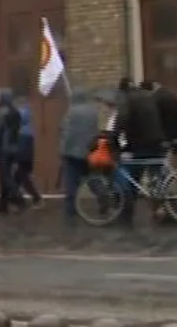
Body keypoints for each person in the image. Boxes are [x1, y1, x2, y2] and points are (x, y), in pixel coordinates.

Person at [108, 77, 165, 225]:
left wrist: (114, 137)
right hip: (156, 141)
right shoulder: (147, 96)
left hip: (140, 143)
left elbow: (122, 118)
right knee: (155, 176)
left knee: (127, 173)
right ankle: (159, 208)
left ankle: (126, 210)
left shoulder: (127, 99)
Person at [58, 88, 100, 225]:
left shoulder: (71, 112)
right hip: (89, 151)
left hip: (72, 153)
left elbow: (67, 132)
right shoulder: (93, 111)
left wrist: (63, 149)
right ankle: (105, 200)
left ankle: (71, 211)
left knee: (71, 182)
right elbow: (95, 131)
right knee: (93, 179)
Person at [0, 89, 24, 214]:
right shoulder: (15, 111)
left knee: (5, 176)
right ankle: (2, 205)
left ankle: (18, 197)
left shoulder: (0, 112)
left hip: (3, 148)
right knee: (5, 175)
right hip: (14, 147)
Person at [13, 101, 44, 209]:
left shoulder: (22, 132)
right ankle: (18, 201)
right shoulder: (29, 130)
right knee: (18, 179)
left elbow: (21, 149)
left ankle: (36, 199)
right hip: (27, 158)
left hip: (22, 158)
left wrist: (16, 158)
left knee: (22, 179)